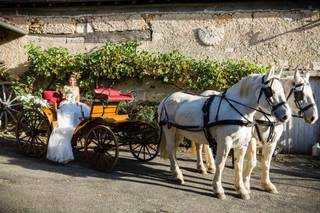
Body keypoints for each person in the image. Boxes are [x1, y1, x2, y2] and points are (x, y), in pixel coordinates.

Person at [46, 75, 90, 164]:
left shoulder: (77, 88)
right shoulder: (66, 87)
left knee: (83, 110)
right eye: (70, 80)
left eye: (73, 80)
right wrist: (66, 97)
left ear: (75, 81)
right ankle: (71, 128)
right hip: (66, 103)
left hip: (74, 103)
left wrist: (77, 102)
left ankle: (79, 127)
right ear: (68, 81)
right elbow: (63, 97)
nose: (72, 81)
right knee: (70, 112)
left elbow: (78, 97)